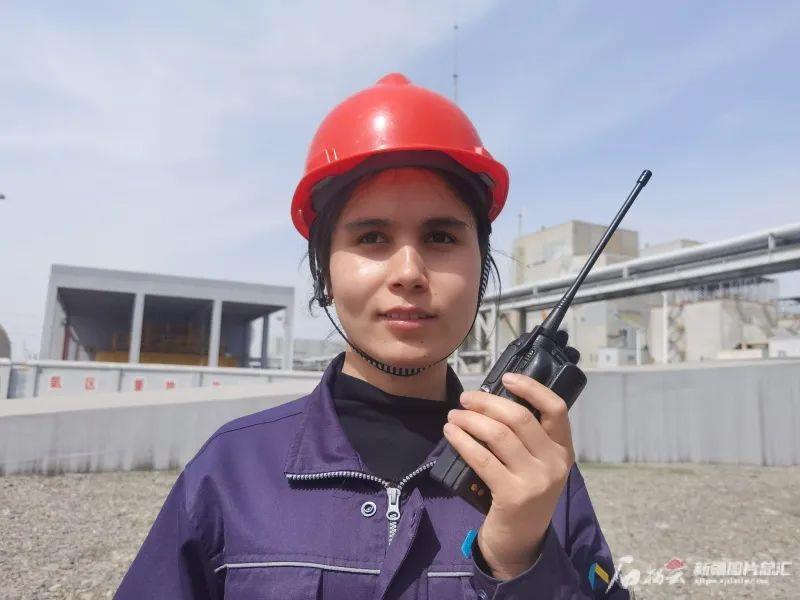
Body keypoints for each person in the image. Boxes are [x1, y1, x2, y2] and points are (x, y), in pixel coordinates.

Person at [116, 73, 630, 599]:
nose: (408, 272)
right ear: (324, 272)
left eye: (441, 236)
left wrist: (518, 559)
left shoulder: (537, 476)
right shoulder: (230, 469)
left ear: (481, 267)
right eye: (372, 237)